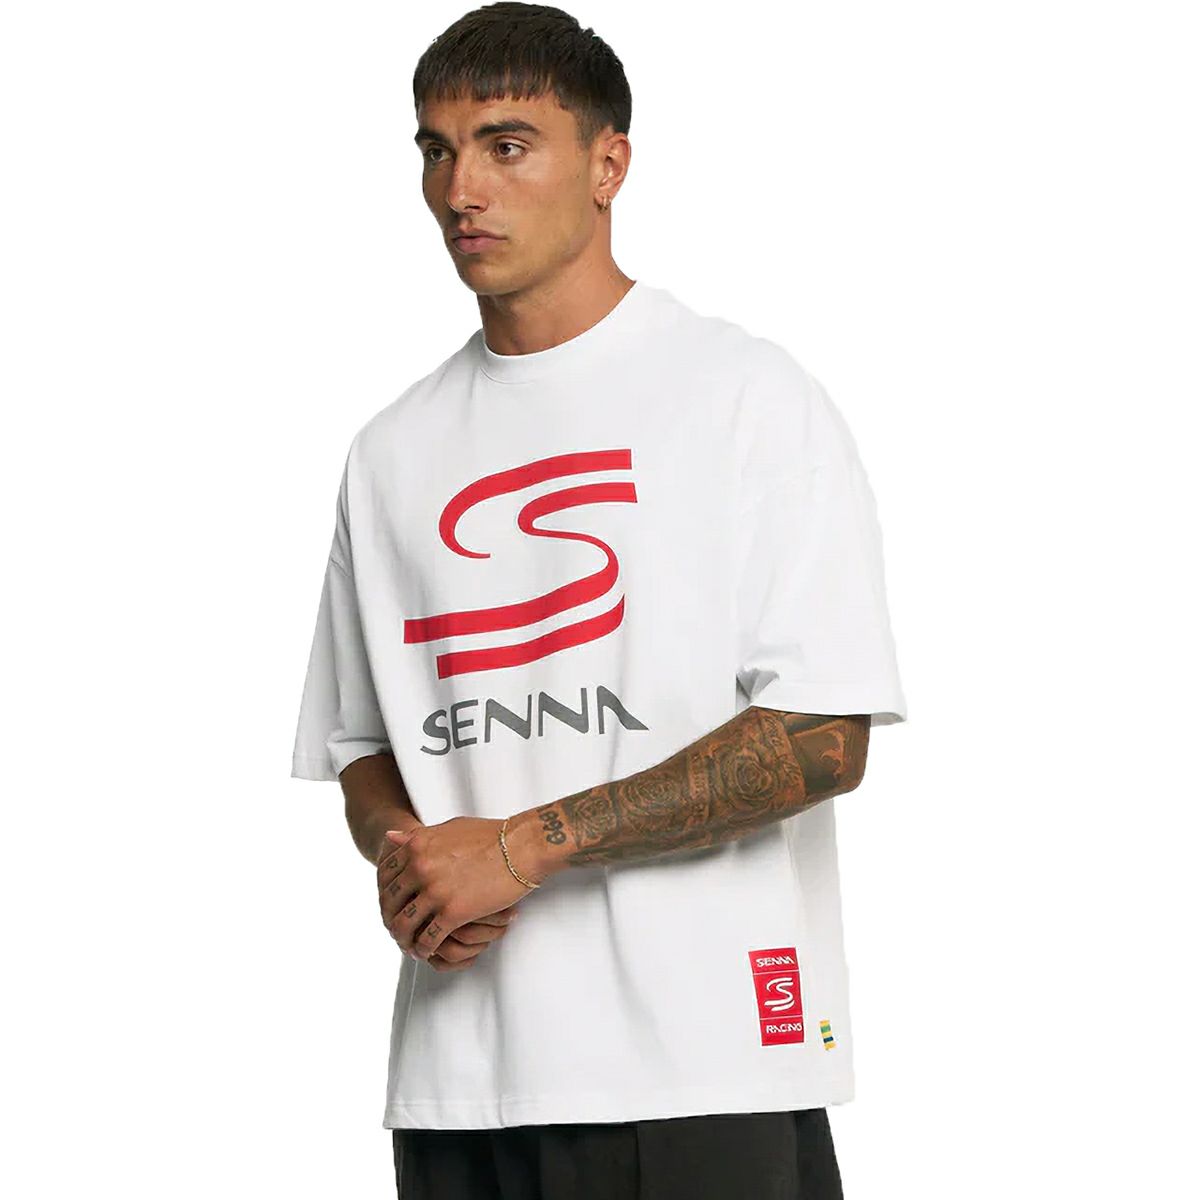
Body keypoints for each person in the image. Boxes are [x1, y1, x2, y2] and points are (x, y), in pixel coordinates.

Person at [290, 4, 907, 1196]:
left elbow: (823, 736)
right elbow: (361, 744)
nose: (462, 188)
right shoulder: (391, 450)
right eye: (436, 150)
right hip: (459, 1081)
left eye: (507, 145)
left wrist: (518, 849)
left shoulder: (743, 397)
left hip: (699, 1070)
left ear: (608, 163)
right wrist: (413, 866)